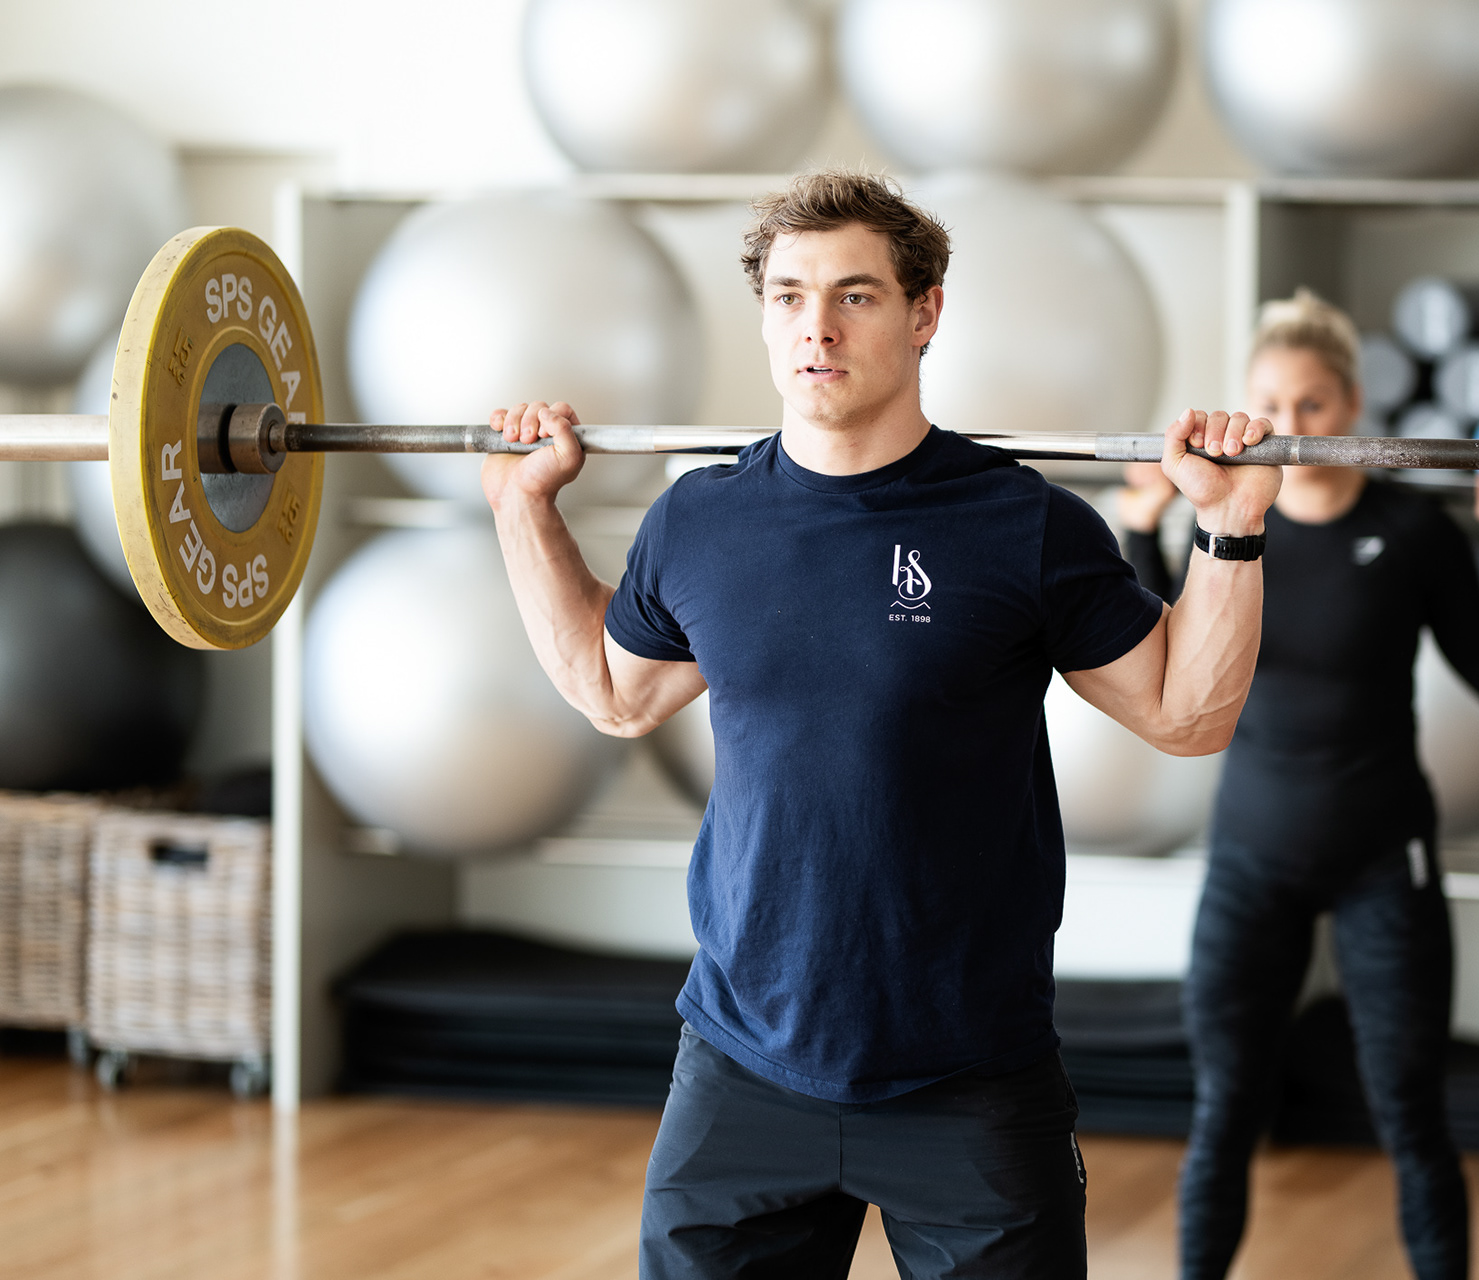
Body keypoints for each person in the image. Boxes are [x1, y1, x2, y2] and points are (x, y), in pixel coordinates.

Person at [479, 171, 1283, 1279]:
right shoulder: (701, 519)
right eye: (790, 295)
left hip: (970, 1078)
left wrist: (1229, 531)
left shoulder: (1022, 523)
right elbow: (616, 693)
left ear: (924, 313)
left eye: (855, 295)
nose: (817, 325)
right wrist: (522, 509)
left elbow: (1186, 714)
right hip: (742, 1064)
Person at [1117, 290, 1479, 1280]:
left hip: (1386, 858)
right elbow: (1151, 658)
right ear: (1246, 407)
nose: (1293, 426)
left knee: (1409, 1107)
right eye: (1272, 403)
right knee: (1225, 1106)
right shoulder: (1218, 520)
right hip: (1252, 857)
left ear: (1351, 405)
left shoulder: (1413, 528)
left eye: (1313, 404)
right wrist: (1141, 519)